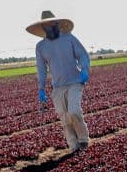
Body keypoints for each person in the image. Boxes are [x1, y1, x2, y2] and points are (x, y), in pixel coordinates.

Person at [26, 11, 92, 154]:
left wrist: (85, 70)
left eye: (53, 23)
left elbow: (82, 55)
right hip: (58, 86)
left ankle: (83, 140)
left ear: (57, 24)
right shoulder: (41, 47)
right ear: (44, 27)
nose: (52, 26)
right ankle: (73, 146)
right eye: (48, 24)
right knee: (64, 117)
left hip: (75, 81)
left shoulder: (69, 38)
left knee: (74, 111)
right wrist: (41, 88)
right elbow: (41, 68)